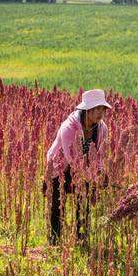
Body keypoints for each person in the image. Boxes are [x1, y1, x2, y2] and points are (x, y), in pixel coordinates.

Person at [44, 89, 112, 244]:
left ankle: (81, 239)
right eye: (97, 109)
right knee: (56, 203)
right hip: (60, 168)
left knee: (84, 201)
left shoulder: (102, 129)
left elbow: (99, 156)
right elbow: (71, 159)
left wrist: (100, 172)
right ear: (87, 109)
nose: (100, 113)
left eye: (102, 109)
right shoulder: (68, 127)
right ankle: (54, 240)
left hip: (85, 170)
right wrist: (92, 177)